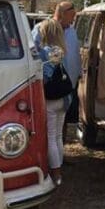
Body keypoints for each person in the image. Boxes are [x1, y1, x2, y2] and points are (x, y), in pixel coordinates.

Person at [33, 1, 81, 140]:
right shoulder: (41, 28)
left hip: (68, 84)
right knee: (49, 124)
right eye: (71, 16)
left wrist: (78, 74)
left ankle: (61, 156)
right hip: (50, 85)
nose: (72, 20)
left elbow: (75, 54)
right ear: (62, 14)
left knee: (62, 122)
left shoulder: (71, 31)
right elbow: (34, 53)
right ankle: (48, 156)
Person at [36, 19, 72, 186]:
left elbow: (46, 76)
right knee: (57, 135)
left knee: (50, 137)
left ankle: (55, 173)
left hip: (50, 99)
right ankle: (59, 170)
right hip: (63, 98)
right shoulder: (62, 50)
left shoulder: (46, 52)